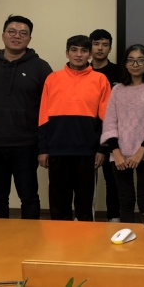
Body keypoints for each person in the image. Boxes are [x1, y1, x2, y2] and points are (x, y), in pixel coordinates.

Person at [0, 15, 53, 219]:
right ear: (3, 35)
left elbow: (48, 104)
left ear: (29, 39)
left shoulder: (41, 67)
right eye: (12, 31)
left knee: (29, 197)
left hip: (26, 144)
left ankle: (30, 237)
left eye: (23, 33)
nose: (17, 36)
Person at [38, 35, 111, 221]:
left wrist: (102, 149)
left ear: (90, 55)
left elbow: (107, 119)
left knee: (84, 207)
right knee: (58, 205)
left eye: (84, 51)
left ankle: (85, 239)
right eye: (74, 50)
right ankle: (59, 239)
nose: (79, 54)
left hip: (87, 152)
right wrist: (43, 149)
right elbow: (43, 116)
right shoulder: (52, 79)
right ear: (67, 53)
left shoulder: (100, 80)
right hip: (57, 150)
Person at [100, 44, 144, 223]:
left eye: (141, 60)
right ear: (125, 64)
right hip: (119, 153)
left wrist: (141, 151)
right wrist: (116, 152)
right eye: (131, 60)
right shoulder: (117, 89)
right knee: (125, 200)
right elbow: (110, 122)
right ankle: (127, 236)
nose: (135, 64)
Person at [89, 29, 122, 223]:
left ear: (110, 48)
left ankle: (114, 218)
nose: (100, 48)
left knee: (113, 181)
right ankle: (86, 219)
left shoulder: (120, 72)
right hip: (88, 133)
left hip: (113, 135)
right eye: (96, 44)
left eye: (105, 44)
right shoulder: (82, 70)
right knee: (86, 182)